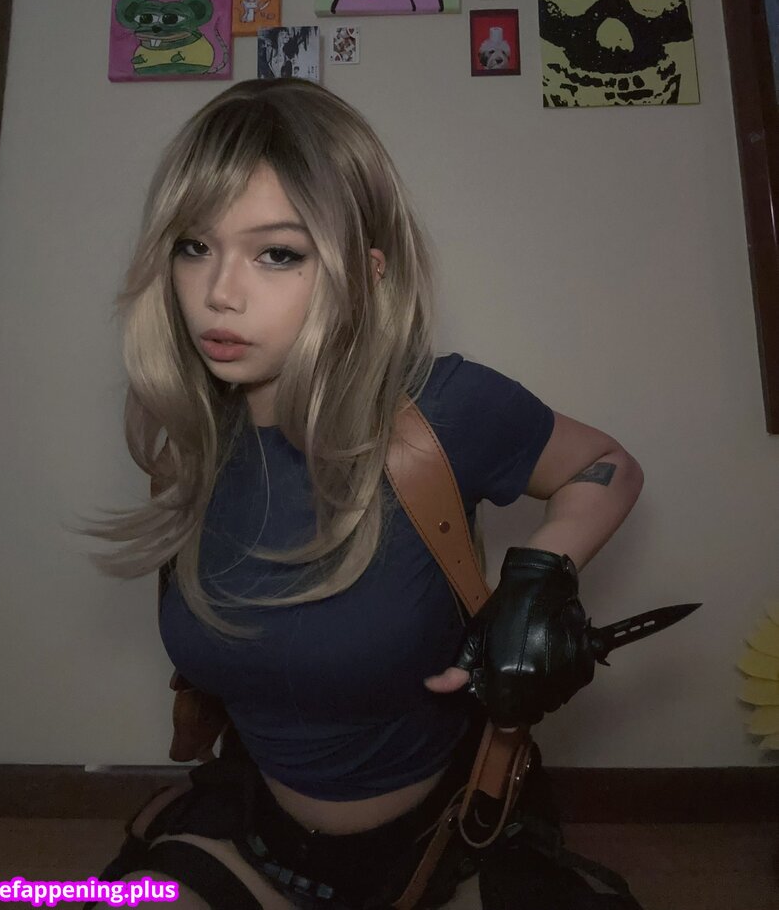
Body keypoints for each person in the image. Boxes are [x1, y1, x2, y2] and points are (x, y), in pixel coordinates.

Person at [79, 78, 644, 909]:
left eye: (277, 253)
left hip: (445, 838)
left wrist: (536, 580)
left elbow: (608, 466)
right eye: (194, 246)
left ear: (364, 273)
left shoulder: (444, 410)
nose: (218, 292)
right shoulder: (190, 440)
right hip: (256, 832)